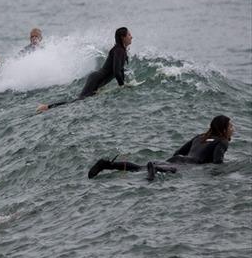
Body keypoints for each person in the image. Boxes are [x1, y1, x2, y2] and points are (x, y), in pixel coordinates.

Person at [88, 115, 234, 180]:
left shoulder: (200, 137)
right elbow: (217, 164)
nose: (233, 128)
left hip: (177, 159)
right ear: (223, 129)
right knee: (172, 170)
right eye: (230, 126)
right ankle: (156, 168)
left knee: (139, 168)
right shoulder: (222, 142)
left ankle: (107, 164)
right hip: (189, 164)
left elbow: (178, 152)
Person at [38, 27, 132, 112]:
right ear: (122, 37)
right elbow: (116, 71)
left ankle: (47, 107)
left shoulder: (121, 50)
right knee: (78, 101)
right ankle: (46, 107)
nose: (131, 37)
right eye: (129, 35)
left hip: (97, 80)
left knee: (80, 100)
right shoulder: (119, 50)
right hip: (96, 79)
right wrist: (122, 86)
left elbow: (120, 69)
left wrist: (124, 83)